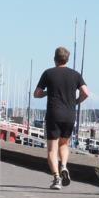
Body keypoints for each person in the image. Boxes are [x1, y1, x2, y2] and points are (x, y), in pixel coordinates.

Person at [34, 46, 90, 189]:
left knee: (52, 149)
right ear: (67, 59)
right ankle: (64, 166)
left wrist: (47, 93)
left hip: (54, 114)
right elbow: (86, 93)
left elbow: (37, 93)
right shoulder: (75, 75)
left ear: (55, 59)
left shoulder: (48, 73)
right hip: (69, 115)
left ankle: (57, 178)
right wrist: (76, 102)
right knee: (64, 144)